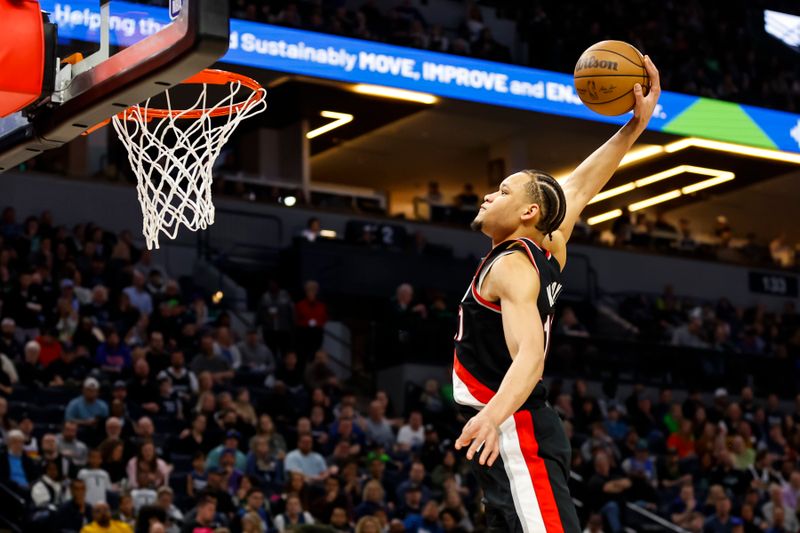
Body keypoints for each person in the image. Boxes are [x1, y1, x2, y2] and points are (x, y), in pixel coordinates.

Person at [452, 57, 661, 532]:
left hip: (516, 429)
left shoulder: (513, 268)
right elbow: (580, 186)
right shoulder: (548, 244)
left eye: (502, 191)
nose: (488, 195)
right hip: (511, 431)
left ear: (527, 211)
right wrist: (635, 126)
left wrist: (493, 417)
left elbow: (530, 355)